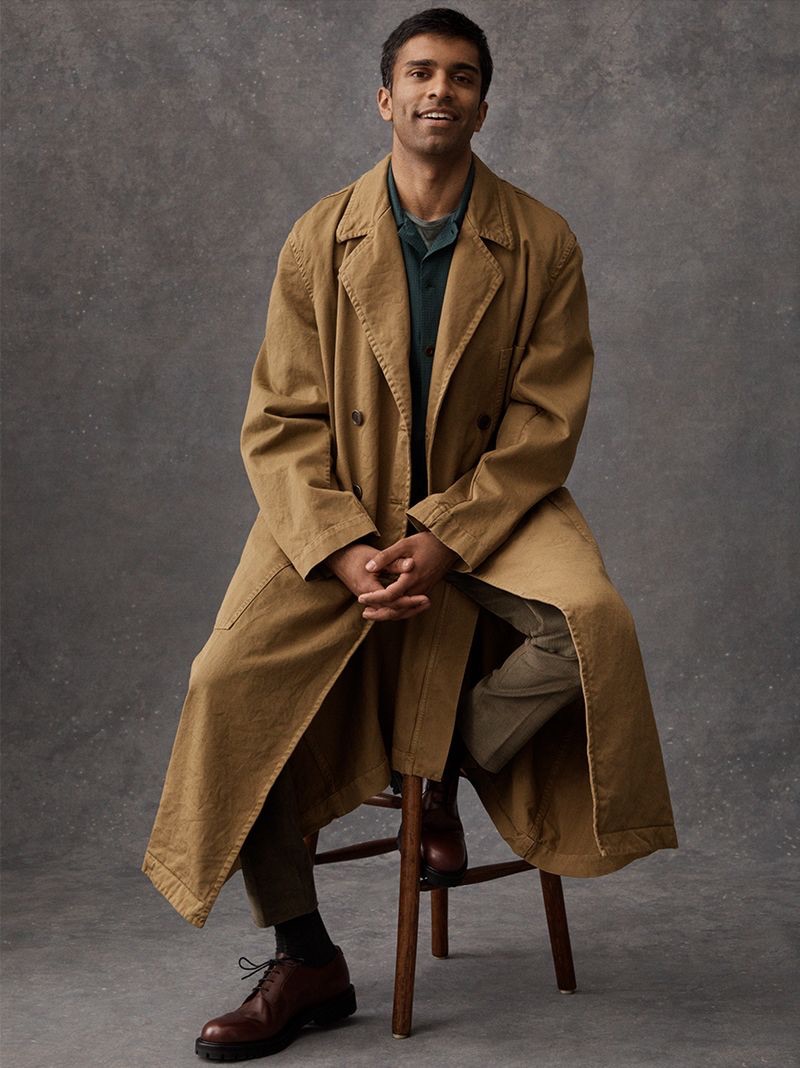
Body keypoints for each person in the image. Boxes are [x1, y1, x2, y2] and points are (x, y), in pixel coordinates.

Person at [143, 7, 677, 1062]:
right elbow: (280, 422)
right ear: (385, 98)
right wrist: (342, 549)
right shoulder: (317, 235)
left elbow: (542, 422)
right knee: (225, 691)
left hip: (490, 505)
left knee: (591, 627)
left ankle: (438, 769)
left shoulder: (540, 239)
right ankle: (306, 958)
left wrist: (447, 535)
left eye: (462, 76)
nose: (441, 90)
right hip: (335, 510)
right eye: (420, 74)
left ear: (483, 101)